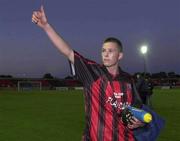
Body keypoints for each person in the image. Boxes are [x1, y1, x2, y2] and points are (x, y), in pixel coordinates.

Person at [32, 6, 146, 141]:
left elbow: (138, 109)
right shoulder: (92, 72)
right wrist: (46, 26)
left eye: (111, 51)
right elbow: (68, 52)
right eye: (104, 50)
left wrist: (140, 122)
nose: (106, 54)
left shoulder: (128, 80)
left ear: (120, 55)